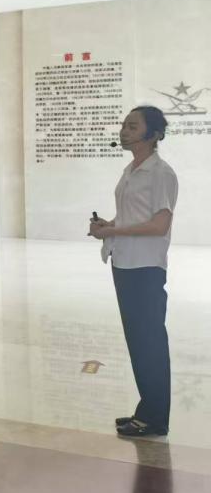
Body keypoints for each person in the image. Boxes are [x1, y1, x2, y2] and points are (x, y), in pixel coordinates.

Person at [89, 105, 178, 438]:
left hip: (145, 266)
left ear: (153, 135)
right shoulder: (131, 170)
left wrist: (114, 231)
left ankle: (155, 419)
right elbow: (131, 217)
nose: (124, 131)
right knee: (138, 342)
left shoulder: (160, 173)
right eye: (124, 125)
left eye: (133, 126)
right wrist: (108, 225)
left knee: (149, 342)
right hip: (124, 262)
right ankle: (147, 411)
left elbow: (159, 225)